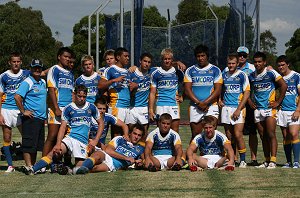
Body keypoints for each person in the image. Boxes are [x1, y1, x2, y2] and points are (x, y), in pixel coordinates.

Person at [25, 85, 104, 175]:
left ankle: (66, 169)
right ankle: (33, 169)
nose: (82, 99)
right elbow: (62, 127)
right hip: (70, 138)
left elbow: (101, 123)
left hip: (82, 142)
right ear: (74, 95)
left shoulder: (91, 107)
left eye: (84, 97)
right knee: (54, 152)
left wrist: (95, 140)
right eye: (79, 96)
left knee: (79, 169)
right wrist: (58, 143)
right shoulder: (68, 108)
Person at [248, 51, 287, 169]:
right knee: (262, 135)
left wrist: (278, 102)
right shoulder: (251, 76)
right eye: (255, 62)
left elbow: (284, 85)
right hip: (258, 109)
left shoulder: (271, 73)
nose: (257, 64)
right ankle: (266, 160)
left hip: (270, 108)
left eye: (260, 62)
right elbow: (246, 90)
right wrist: (250, 102)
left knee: (270, 134)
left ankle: (273, 161)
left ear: (264, 62)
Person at [184, 44, 222, 140]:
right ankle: (193, 155)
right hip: (195, 106)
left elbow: (218, 90)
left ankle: (210, 155)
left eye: (203, 56)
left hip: (211, 106)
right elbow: (187, 90)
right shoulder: (190, 70)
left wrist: (205, 103)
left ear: (207, 56)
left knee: (211, 134)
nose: (200, 58)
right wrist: (199, 103)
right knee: (196, 135)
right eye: (198, 56)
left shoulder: (215, 70)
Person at [14, 59, 47, 170]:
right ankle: (28, 166)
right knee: (28, 144)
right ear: (31, 69)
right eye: (35, 67)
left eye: (39, 67)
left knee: (36, 145)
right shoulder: (27, 81)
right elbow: (17, 97)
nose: (37, 69)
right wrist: (24, 111)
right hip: (30, 118)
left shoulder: (43, 82)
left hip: (41, 118)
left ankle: (32, 165)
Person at [0, 52, 30, 172]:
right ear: (9, 62)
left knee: (27, 137)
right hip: (6, 109)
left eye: (18, 61)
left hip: (20, 110)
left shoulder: (26, 74)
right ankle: (10, 165)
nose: (16, 64)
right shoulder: (3, 76)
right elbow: (0, 95)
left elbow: (42, 73)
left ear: (21, 62)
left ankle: (30, 163)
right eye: (14, 61)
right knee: (7, 138)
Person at [98, 47, 137, 138]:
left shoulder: (127, 72)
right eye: (125, 56)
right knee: (116, 134)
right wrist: (114, 80)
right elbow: (100, 85)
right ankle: (113, 151)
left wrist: (134, 87)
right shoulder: (111, 69)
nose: (128, 58)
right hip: (117, 106)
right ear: (118, 57)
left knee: (128, 131)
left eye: (128, 56)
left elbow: (130, 91)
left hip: (127, 106)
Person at [75, 124, 145, 174]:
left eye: (139, 135)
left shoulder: (140, 149)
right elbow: (108, 151)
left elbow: (144, 161)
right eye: (134, 134)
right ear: (130, 133)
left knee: (94, 169)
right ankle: (81, 167)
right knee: (97, 156)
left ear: (141, 137)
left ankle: (73, 170)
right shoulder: (120, 139)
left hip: (113, 165)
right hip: (106, 156)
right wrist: (126, 158)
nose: (136, 137)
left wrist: (140, 164)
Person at [219, 54, 250, 168]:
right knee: (229, 135)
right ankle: (232, 158)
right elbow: (218, 88)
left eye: (233, 63)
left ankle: (243, 160)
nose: (231, 65)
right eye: (229, 63)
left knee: (238, 134)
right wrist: (219, 99)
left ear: (237, 64)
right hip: (226, 108)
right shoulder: (224, 74)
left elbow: (247, 93)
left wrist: (238, 109)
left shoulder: (242, 75)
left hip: (238, 108)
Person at [44, 47, 75, 157]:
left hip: (67, 109)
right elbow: (51, 89)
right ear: (59, 57)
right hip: (56, 108)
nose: (67, 59)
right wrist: (56, 108)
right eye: (65, 56)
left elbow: (72, 92)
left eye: (69, 57)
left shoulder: (70, 73)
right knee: (52, 136)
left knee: (65, 137)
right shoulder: (54, 69)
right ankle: (44, 162)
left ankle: (59, 162)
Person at [149, 49, 184, 133]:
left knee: (175, 132)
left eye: (169, 59)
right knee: (161, 132)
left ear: (172, 60)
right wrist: (151, 109)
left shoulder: (178, 71)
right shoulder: (155, 72)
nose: (167, 61)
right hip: (161, 105)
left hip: (174, 104)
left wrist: (182, 96)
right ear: (162, 59)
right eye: (165, 59)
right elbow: (152, 93)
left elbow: (186, 85)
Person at [276, 55, 300, 169]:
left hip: (294, 111)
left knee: (294, 134)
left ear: (288, 64)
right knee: (286, 137)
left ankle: (296, 162)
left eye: (283, 65)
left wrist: (298, 110)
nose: (281, 67)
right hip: (282, 111)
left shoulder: (296, 76)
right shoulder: (278, 78)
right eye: (279, 65)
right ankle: (288, 162)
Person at [237, 46, 258, 166]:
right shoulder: (231, 66)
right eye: (240, 54)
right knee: (235, 132)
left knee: (252, 132)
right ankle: (234, 158)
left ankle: (253, 158)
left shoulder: (252, 68)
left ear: (247, 56)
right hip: (235, 104)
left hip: (250, 104)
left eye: (244, 55)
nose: (241, 57)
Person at [128, 53, 155, 135]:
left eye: (149, 62)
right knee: (130, 132)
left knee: (144, 133)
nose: (146, 64)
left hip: (143, 108)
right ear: (140, 61)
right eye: (145, 61)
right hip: (131, 107)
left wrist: (177, 63)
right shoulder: (131, 73)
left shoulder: (151, 73)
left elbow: (165, 64)